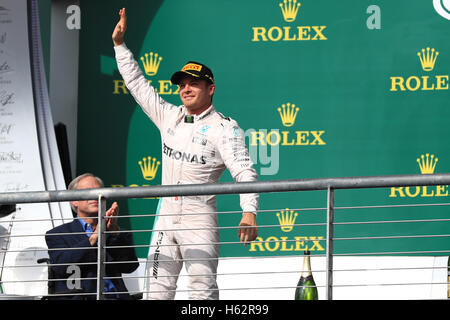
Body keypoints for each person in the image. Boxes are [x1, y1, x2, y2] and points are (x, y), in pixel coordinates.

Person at [112, 8, 259, 300]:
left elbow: (244, 172)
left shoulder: (224, 128)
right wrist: (119, 46)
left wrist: (250, 212)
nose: (186, 89)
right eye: (182, 84)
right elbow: (138, 85)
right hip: (165, 215)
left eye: (193, 83)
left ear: (211, 89)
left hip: (199, 216)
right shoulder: (169, 116)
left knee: (201, 293)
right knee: (155, 292)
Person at [45, 173, 139, 300]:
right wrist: (94, 237)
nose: (96, 195)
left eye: (99, 191)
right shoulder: (57, 234)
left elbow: (129, 267)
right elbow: (62, 266)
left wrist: (113, 233)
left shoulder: (118, 233)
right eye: (89, 191)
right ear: (74, 201)